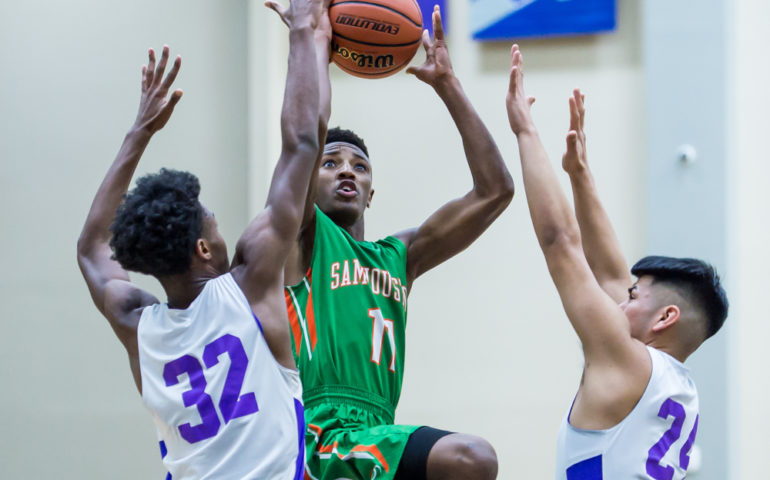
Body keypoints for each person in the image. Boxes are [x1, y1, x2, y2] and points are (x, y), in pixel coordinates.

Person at [75, 1, 326, 476]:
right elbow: (303, 145)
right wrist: (301, 27)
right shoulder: (248, 286)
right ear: (203, 249)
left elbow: (91, 249)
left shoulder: (137, 326)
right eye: (210, 218)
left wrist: (139, 132)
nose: (217, 221)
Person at [280, 6, 514, 480]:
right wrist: (313, 48)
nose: (346, 170)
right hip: (318, 434)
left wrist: (448, 85)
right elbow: (305, 137)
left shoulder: (398, 257)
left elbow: (496, 191)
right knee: (472, 458)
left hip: (373, 434)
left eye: (359, 166)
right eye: (331, 164)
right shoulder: (304, 237)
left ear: (371, 192)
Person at [504, 44, 728, 479]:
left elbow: (560, 243)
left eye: (633, 295)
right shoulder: (675, 385)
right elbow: (609, 274)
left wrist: (525, 130)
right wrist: (579, 173)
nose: (620, 300)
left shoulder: (626, 361)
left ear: (665, 317)